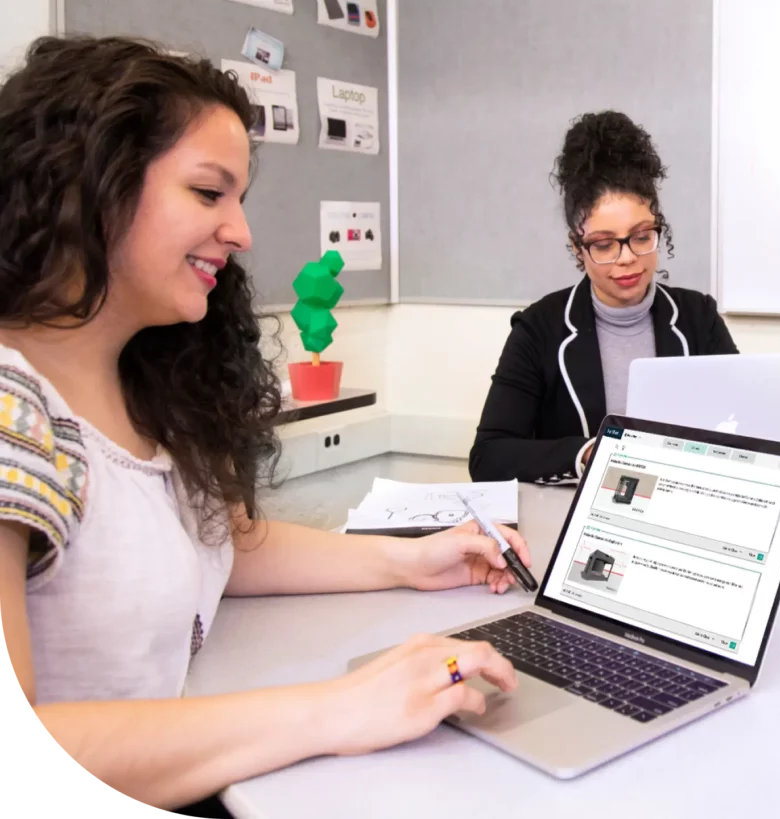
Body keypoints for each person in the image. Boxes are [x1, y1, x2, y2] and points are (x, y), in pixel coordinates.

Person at [0, 36, 530, 812]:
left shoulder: (145, 381)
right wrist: (340, 708)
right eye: (208, 193)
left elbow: (226, 542)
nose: (242, 232)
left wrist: (410, 560)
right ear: (88, 185)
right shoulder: (14, 409)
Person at [469, 111, 738, 485]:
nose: (626, 258)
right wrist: (585, 454)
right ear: (577, 247)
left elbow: (742, 423)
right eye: (604, 244)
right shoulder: (539, 329)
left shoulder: (699, 318)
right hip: (573, 513)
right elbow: (488, 456)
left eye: (641, 237)